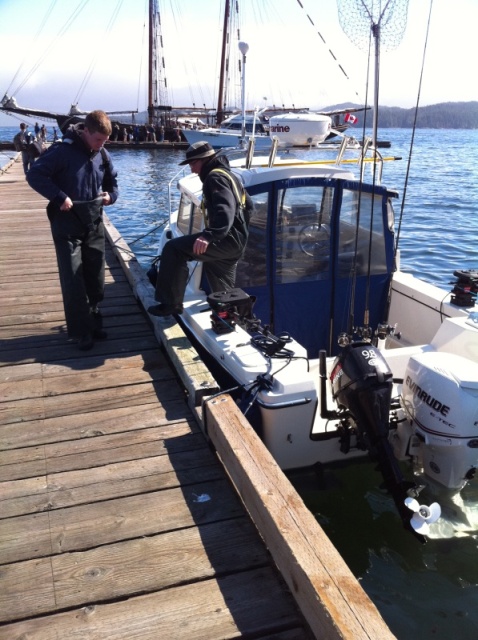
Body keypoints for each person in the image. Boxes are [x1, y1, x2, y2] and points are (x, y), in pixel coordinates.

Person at [26, 110, 119, 350]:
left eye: (104, 141)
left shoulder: (102, 154)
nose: (101, 145)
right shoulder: (61, 152)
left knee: (96, 276)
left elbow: (112, 182)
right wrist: (59, 196)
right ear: (85, 131)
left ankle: (94, 322)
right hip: (67, 224)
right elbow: (35, 174)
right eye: (98, 139)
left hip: (93, 222)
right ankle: (80, 331)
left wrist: (112, 196)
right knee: (74, 278)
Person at [148, 141, 252, 317]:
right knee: (222, 285)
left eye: (193, 163)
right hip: (236, 242)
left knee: (173, 249)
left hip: (224, 240)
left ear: (205, 160)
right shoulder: (230, 175)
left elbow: (224, 210)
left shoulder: (214, 178)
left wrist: (209, 236)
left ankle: (171, 304)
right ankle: (233, 316)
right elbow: (249, 207)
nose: (192, 169)